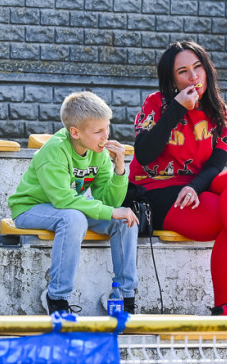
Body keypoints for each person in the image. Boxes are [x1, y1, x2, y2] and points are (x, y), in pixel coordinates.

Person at [130, 41, 227, 317]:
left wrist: (194, 187)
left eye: (197, 68)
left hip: (196, 186)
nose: (193, 77)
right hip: (156, 190)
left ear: (207, 70)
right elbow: (144, 154)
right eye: (183, 72)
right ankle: (225, 306)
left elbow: (217, 165)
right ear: (172, 80)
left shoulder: (224, 115)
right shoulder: (156, 103)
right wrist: (177, 110)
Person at [8, 91, 138, 315]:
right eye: (98, 131)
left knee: (126, 221)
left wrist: (119, 170)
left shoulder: (98, 152)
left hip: (66, 209)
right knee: (74, 218)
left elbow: (108, 201)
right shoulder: (54, 151)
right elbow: (63, 199)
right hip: (30, 209)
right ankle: (57, 297)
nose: (105, 136)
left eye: (107, 128)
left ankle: (124, 296)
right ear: (75, 132)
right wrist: (110, 211)